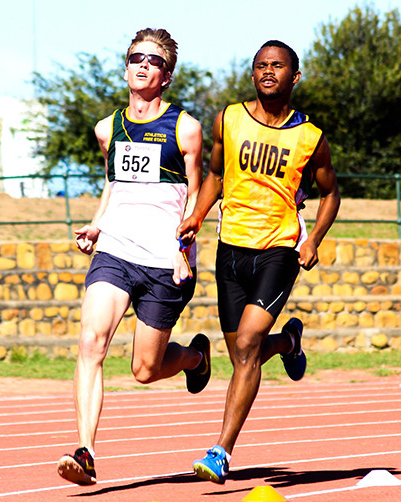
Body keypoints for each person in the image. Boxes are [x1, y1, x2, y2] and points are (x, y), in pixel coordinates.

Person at [177, 40, 341, 484]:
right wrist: (197, 215)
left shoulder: (310, 137)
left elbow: (330, 193)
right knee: (242, 357)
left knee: (248, 344)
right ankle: (288, 343)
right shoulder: (228, 119)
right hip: (230, 249)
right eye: (261, 65)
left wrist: (313, 239)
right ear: (253, 74)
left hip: (278, 250)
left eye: (278, 65)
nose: (269, 71)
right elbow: (215, 174)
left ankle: (221, 451)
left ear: (295, 76)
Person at [56, 28, 210, 486]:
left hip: (165, 259)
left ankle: (195, 358)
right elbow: (114, 183)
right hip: (116, 251)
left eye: (154, 60)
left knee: (144, 370)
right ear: (125, 67)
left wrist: (183, 250)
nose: (143, 65)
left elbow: (195, 194)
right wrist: (97, 223)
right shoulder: (107, 128)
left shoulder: (185, 128)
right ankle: (86, 451)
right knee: (90, 343)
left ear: (167, 75)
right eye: (136, 57)